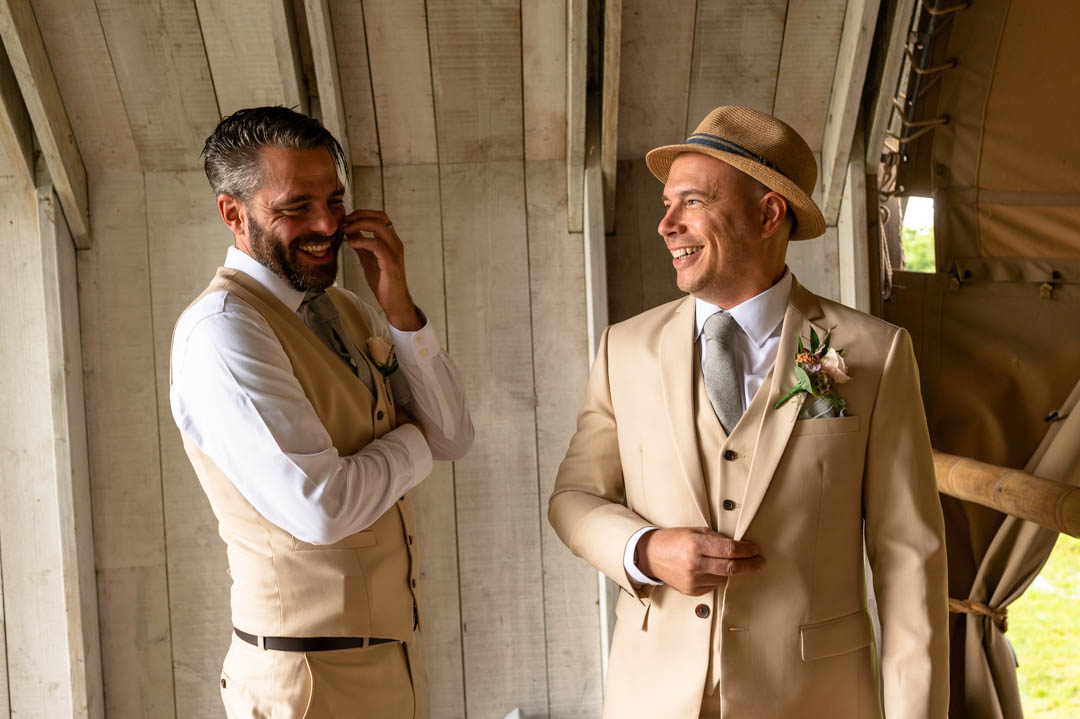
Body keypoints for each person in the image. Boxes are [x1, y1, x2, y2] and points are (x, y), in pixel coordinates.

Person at [548, 106, 948, 718]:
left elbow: (907, 556)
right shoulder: (623, 349)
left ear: (768, 213)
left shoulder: (874, 353)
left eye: (691, 202)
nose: (665, 225)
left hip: (815, 698)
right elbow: (573, 498)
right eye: (666, 204)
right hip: (654, 696)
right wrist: (645, 548)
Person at [170, 106, 473, 718]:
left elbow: (454, 435)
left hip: (390, 659)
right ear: (234, 214)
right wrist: (413, 443)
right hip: (306, 679)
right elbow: (322, 507)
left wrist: (399, 307)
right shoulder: (223, 331)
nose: (326, 224)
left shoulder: (348, 309)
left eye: (334, 201)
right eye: (295, 207)